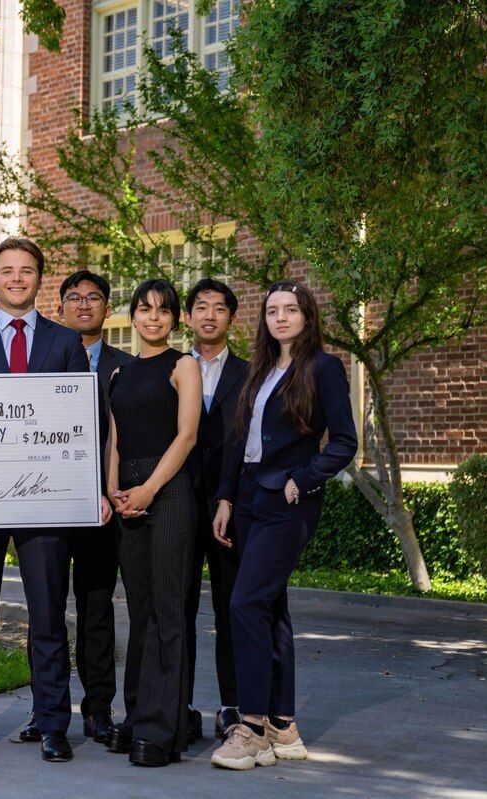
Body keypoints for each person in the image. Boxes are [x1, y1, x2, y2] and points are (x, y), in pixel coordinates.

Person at [0, 236, 110, 764]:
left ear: (39, 278)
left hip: (45, 504)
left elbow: (78, 425)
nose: (17, 278)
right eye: (7, 270)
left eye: (27, 270)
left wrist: (86, 490)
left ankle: (54, 724)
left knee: (48, 618)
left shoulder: (64, 344)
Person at [209, 280, 357, 770]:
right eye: (272, 310)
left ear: (307, 316)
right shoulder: (261, 370)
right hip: (248, 497)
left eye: (291, 309)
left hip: (287, 501)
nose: (281, 318)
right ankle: (283, 725)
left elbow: (344, 441)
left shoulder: (323, 368)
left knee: (245, 602)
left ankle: (250, 727)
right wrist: (227, 496)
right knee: (271, 609)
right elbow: (241, 439)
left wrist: (304, 478)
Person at [11, 269, 133, 747]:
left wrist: (111, 489)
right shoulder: (39, 359)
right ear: (59, 307)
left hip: (102, 507)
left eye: (95, 298)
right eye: (74, 298)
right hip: (46, 503)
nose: (85, 305)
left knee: (96, 608)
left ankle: (98, 709)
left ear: (107, 308)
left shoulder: (125, 366)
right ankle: (46, 712)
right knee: (45, 611)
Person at [105, 279, 201, 767]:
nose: (153, 318)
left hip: (170, 494)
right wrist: (113, 491)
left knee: (168, 610)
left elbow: (185, 438)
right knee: (139, 611)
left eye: (164, 311)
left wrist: (148, 490)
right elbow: (115, 443)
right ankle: (137, 714)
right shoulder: (120, 371)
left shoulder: (184, 365)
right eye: (144, 309)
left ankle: (162, 731)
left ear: (175, 318)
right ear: (132, 316)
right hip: (128, 496)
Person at [181, 278, 248, 742]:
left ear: (231, 318)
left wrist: (230, 495)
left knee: (230, 611)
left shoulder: (251, 373)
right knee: (177, 609)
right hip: (179, 506)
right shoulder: (171, 367)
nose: (209, 315)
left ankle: (233, 706)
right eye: (200, 307)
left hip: (230, 507)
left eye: (218, 308)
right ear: (187, 317)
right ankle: (178, 704)